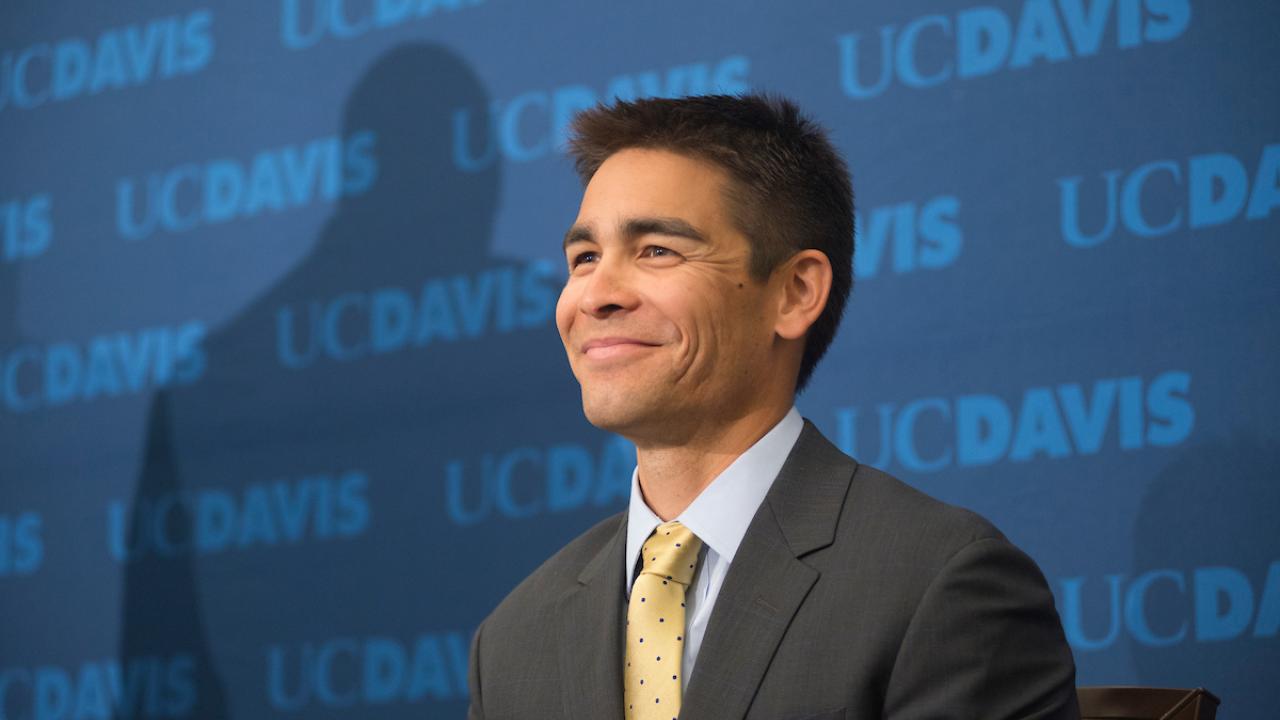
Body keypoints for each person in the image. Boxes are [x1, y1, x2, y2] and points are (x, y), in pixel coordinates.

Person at [466, 94, 1079, 720]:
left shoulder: (938, 587)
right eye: (584, 259)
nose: (596, 296)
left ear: (795, 292)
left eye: (656, 250)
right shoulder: (514, 641)